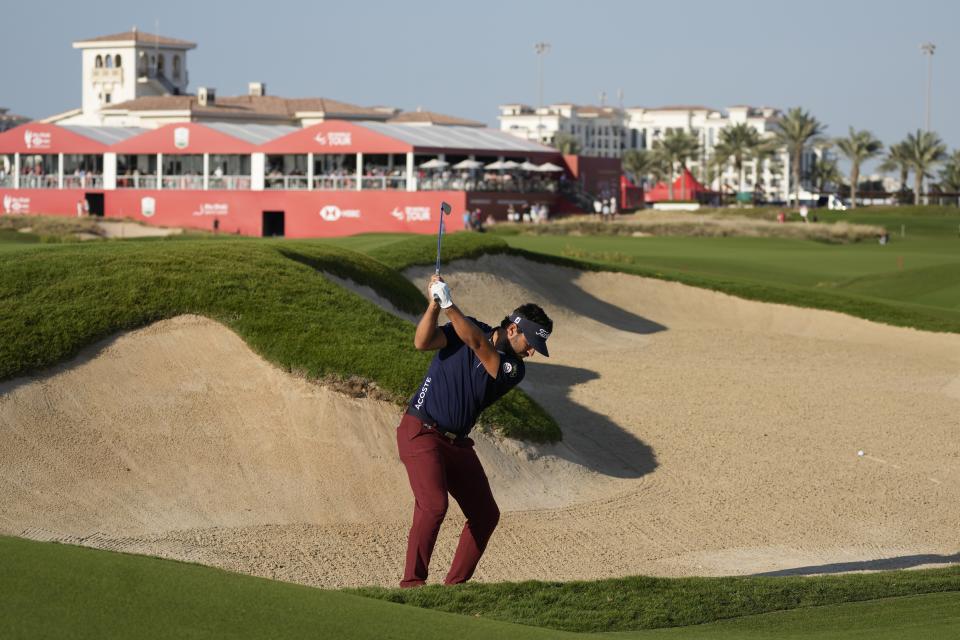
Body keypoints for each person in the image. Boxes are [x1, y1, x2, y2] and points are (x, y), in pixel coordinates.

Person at [397, 275, 553, 587]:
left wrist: (450, 305)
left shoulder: (513, 368)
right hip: (421, 430)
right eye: (531, 343)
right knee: (434, 506)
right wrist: (434, 305)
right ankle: (413, 585)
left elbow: (478, 345)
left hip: (457, 445)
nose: (532, 352)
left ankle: (454, 588)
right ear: (513, 329)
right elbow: (422, 342)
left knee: (485, 515)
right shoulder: (466, 329)